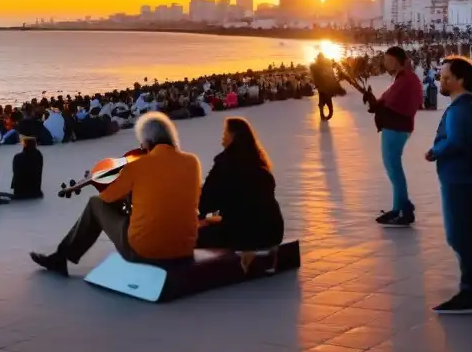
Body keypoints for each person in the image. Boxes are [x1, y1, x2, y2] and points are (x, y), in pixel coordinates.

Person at [31, 112, 202, 275]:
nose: (141, 147)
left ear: (148, 141)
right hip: (185, 248)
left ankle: (60, 258)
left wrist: (97, 179)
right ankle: (61, 257)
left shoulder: (138, 166)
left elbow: (107, 197)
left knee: (95, 204)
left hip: (145, 251)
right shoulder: (192, 162)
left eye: (142, 143)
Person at [426, 56, 472, 314]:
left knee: (458, 235)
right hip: (470, 177)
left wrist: (434, 151)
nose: (441, 81)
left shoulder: (460, 109)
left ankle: (469, 292)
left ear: (460, 80)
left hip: (459, 178)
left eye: (445, 77)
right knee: (470, 233)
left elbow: (455, 141)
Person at [197, 118, 284, 250]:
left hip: (244, 234)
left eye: (225, 132)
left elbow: (206, 202)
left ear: (233, 136)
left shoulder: (225, 163)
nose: (222, 135)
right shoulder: (260, 164)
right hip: (272, 232)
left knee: (194, 235)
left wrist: (202, 214)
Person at [362, 46, 422, 227]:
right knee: (393, 168)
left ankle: (403, 209)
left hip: (396, 128)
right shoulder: (404, 78)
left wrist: (377, 104)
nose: (384, 63)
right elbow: (388, 97)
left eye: (387, 59)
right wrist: (376, 102)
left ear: (396, 60)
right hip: (397, 127)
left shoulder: (406, 80)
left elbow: (395, 102)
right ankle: (400, 206)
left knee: (394, 169)